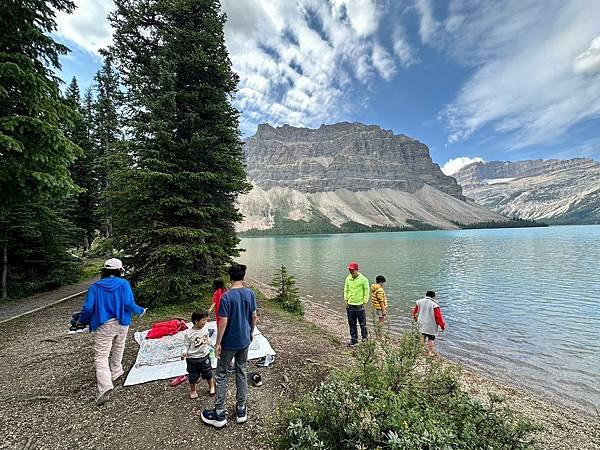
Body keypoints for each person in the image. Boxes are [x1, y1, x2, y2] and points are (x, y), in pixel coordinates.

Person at [78, 258, 146, 406]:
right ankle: (116, 371)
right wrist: (140, 310)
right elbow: (129, 303)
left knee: (101, 355)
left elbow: (88, 308)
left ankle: (105, 386)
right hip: (122, 322)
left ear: (104, 271)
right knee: (119, 345)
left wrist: (82, 320)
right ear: (119, 270)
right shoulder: (124, 283)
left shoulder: (95, 287)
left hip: (105, 324)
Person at [202, 264, 257, 428]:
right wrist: (251, 332)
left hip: (229, 343)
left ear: (230, 277)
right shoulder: (250, 293)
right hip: (244, 341)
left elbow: (223, 322)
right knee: (241, 371)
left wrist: (218, 343)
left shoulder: (226, 296)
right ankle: (241, 410)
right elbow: (254, 317)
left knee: (221, 374)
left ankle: (219, 414)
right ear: (243, 276)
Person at [181, 309, 215, 399]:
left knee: (208, 373)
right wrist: (183, 353)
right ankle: (193, 391)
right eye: (203, 320)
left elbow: (208, 340)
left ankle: (211, 386)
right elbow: (185, 345)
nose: (205, 322)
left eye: (206, 320)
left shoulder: (205, 330)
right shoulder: (189, 333)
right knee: (193, 376)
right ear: (196, 321)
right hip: (192, 359)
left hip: (205, 356)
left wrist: (214, 346)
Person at [412, 291, 446, 357]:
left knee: (422, 337)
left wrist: (414, 318)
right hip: (431, 325)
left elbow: (415, 311)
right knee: (431, 339)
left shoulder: (419, 301)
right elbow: (438, 317)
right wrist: (442, 326)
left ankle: (420, 350)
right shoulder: (434, 305)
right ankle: (430, 353)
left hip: (421, 323)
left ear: (426, 295)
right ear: (433, 297)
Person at [344, 262, 369, 346]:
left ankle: (365, 340)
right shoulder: (348, 278)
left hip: (359, 305)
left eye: (352, 270)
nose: (350, 271)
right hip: (350, 305)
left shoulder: (363, 279)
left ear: (356, 269)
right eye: (349, 269)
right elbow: (346, 290)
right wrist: (346, 300)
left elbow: (366, 291)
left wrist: (365, 302)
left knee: (362, 324)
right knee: (352, 323)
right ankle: (354, 340)